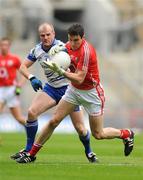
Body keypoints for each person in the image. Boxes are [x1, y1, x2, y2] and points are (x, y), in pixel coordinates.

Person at [16, 23, 134, 164]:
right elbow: (67, 68)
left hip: (92, 93)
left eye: (76, 40)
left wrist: (61, 71)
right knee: (54, 120)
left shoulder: (86, 51)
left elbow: (79, 78)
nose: (73, 43)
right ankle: (31, 154)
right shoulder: (66, 46)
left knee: (98, 134)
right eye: (70, 39)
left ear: (82, 38)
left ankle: (126, 134)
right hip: (73, 91)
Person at [11, 23, 96, 163]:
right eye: (42, 35)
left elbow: (78, 60)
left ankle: (89, 151)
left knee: (81, 129)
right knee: (32, 112)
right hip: (51, 88)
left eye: (48, 34)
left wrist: (73, 72)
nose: (45, 38)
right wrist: (31, 78)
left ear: (54, 34)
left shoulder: (64, 47)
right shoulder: (37, 50)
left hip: (69, 90)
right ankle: (28, 149)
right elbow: (22, 66)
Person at [0, 37, 25, 126]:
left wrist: (20, 84)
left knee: (19, 118)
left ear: (9, 46)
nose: (4, 47)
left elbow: (24, 72)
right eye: (2, 45)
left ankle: (32, 129)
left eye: (6, 45)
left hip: (12, 90)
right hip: (1, 89)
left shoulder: (14, 59)